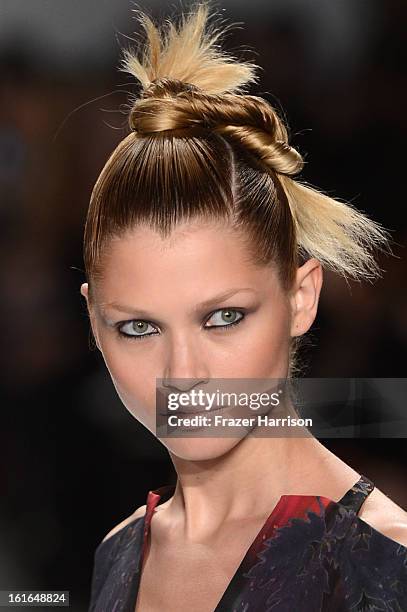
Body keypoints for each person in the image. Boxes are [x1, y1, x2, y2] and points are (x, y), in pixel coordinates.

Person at [83, 3, 407, 610]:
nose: (183, 374)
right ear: (93, 323)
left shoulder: (380, 566)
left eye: (223, 317)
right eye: (137, 327)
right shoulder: (121, 550)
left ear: (301, 296)